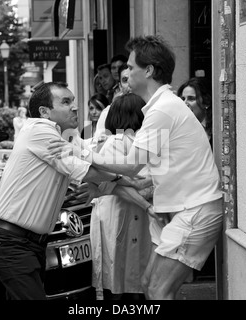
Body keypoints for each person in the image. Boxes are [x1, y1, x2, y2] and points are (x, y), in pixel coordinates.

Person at [47, 35, 223, 300]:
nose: (125, 72)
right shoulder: (160, 107)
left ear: (149, 70)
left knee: (156, 290)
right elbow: (145, 178)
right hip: (184, 212)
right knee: (148, 285)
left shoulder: (163, 108)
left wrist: (78, 150)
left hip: (195, 211)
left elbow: (130, 167)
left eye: (130, 66)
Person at [0, 82, 156, 300]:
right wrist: (129, 180)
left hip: (30, 244)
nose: (75, 107)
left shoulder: (66, 136)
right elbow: (89, 170)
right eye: (65, 102)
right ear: (44, 112)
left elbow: (88, 153)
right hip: (10, 242)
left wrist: (99, 150)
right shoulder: (39, 130)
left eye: (73, 101)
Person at [90, 93, 152, 300]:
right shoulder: (125, 141)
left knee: (121, 276)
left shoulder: (121, 141)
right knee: (129, 275)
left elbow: (116, 181)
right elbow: (114, 181)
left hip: (120, 213)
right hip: (124, 212)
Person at [177, 77, 213, 143]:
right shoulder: (179, 131)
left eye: (191, 99)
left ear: (206, 102)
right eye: (183, 99)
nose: (185, 103)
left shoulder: (217, 130)